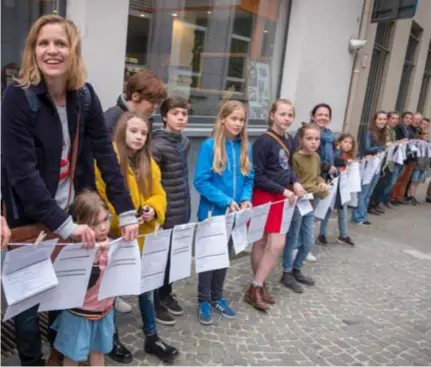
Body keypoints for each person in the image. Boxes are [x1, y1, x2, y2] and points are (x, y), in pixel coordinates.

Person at [1, 15, 139, 366]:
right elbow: (23, 174)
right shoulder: (17, 97)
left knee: (65, 295)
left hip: (73, 215)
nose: (52, 51)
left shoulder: (85, 96)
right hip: (33, 218)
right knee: (29, 307)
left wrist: (125, 212)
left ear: (73, 50)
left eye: (60, 43)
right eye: (43, 43)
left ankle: (60, 359)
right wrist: (66, 226)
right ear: (33, 50)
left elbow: (106, 158)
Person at [95, 111, 179, 363]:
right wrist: (125, 219)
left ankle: (152, 337)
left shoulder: (147, 162)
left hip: (143, 237)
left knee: (147, 288)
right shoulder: (107, 160)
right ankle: (110, 339)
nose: (139, 137)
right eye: (134, 131)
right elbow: (103, 199)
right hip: (116, 239)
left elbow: (159, 193)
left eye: (143, 133)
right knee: (111, 291)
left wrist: (153, 209)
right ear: (122, 131)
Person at [194, 100, 254, 323]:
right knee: (209, 259)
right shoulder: (210, 146)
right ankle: (203, 300)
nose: (238, 124)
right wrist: (226, 200)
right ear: (222, 119)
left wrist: (246, 199)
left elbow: (249, 177)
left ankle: (217, 296)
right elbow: (200, 181)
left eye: (241, 120)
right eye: (234, 119)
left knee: (223, 258)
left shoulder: (246, 148)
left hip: (235, 215)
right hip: (212, 214)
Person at [245, 99, 305, 311]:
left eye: (290, 115)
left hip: (281, 196)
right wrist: (284, 189)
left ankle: (256, 285)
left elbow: (286, 168)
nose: (286, 118)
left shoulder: (289, 140)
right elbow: (257, 176)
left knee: (277, 243)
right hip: (263, 195)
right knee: (260, 242)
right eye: (282, 114)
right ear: (272, 115)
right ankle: (258, 286)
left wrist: (295, 182)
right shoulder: (262, 142)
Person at [50, 191, 114, 366]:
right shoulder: (76, 250)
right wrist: (95, 255)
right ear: (82, 226)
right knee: (72, 356)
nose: (103, 227)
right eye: (95, 224)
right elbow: (82, 284)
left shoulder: (111, 243)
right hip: (80, 313)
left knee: (98, 353)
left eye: (105, 219)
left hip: (104, 310)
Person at [152, 96, 191, 325]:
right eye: (175, 113)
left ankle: (166, 293)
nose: (180, 118)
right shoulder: (157, 145)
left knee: (173, 258)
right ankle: (155, 302)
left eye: (184, 114)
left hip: (181, 208)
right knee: (159, 259)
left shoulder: (184, 142)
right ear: (165, 116)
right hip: (164, 213)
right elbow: (154, 183)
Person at [282, 123, 329, 293]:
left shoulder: (316, 157)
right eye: (309, 138)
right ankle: (286, 272)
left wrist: (322, 183)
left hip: (310, 204)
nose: (313, 142)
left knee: (308, 240)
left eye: (316, 139)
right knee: (293, 238)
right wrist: (317, 189)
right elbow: (296, 183)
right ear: (301, 140)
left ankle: (297, 268)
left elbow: (315, 177)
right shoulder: (295, 157)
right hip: (297, 204)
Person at [317, 133, 356, 247]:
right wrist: (344, 162)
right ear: (339, 143)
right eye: (345, 142)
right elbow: (333, 161)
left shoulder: (350, 156)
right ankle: (322, 234)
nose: (348, 145)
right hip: (334, 186)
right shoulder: (337, 153)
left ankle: (343, 235)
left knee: (342, 211)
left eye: (350, 143)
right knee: (328, 210)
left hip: (342, 188)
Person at [104, 69, 167, 135]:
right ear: (135, 96)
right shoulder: (113, 117)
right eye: (152, 101)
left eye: (158, 102)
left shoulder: (147, 120)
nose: (155, 106)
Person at [352, 111, 387, 225]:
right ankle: (359, 217)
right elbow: (367, 148)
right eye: (379, 119)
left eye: (384, 119)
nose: (382, 121)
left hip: (377, 166)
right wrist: (384, 147)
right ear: (375, 120)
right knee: (363, 192)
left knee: (368, 192)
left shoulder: (382, 134)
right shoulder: (368, 133)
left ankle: (361, 215)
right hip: (367, 166)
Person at [391, 111, 414, 205]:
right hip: (396, 157)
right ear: (402, 118)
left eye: (410, 118)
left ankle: (393, 198)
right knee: (393, 180)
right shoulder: (398, 128)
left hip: (405, 158)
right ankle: (390, 198)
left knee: (399, 179)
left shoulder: (409, 130)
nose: (408, 120)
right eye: (406, 118)